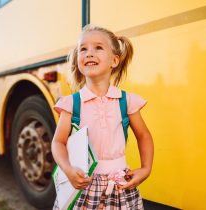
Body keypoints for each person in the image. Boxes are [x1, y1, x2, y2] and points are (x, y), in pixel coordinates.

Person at [51, 24, 154, 210]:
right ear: (77, 60)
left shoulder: (127, 101)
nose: (89, 53)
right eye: (83, 49)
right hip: (83, 187)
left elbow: (144, 136)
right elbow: (58, 142)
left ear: (114, 60)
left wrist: (146, 169)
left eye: (98, 47)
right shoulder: (71, 104)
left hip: (119, 187)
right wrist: (68, 169)